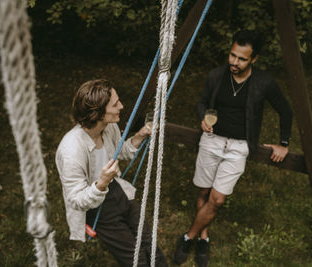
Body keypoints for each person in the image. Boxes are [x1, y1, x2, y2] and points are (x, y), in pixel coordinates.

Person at [173, 30, 293, 266]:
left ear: (254, 59)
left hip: (238, 147)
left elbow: (286, 111)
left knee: (217, 199)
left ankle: (188, 237)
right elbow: (202, 103)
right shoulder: (217, 76)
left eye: (241, 59)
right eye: (232, 55)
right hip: (211, 141)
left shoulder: (264, 82)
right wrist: (202, 118)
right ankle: (204, 237)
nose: (234, 62)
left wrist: (284, 144)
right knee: (203, 193)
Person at [55, 79, 168, 267]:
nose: (121, 106)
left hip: (117, 191)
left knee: (149, 242)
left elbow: (119, 151)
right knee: (135, 258)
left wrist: (138, 136)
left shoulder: (109, 127)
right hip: (97, 208)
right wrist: (101, 184)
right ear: (97, 113)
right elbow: (76, 199)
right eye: (115, 104)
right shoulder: (71, 150)